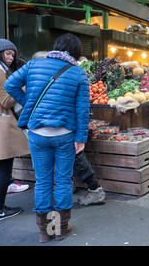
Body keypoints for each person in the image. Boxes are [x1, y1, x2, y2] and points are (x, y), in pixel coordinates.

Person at [5, 33, 90, 243]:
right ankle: (60, 229)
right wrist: (81, 137)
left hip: (37, 134)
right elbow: (82, 109)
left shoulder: (34, 65)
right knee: (62, 180)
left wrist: (30, 103)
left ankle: (44, 231)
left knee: (42, 181)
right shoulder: (78, 73)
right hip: (64, 135)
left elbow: (10, 85)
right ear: (77, 53)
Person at [28, 50, 106, 206]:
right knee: (65, 166)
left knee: (71, 159)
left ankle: (93, 189)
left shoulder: (42, 76)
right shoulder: (58, 75)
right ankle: (61, 217)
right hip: (59, 128)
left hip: (56, 128)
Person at [0, 38, 30, 221]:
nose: (11, 57)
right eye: (8, 53)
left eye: (13, 54)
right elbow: (7, 101)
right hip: (0, 127)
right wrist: (22, 89)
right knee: (4, 169)